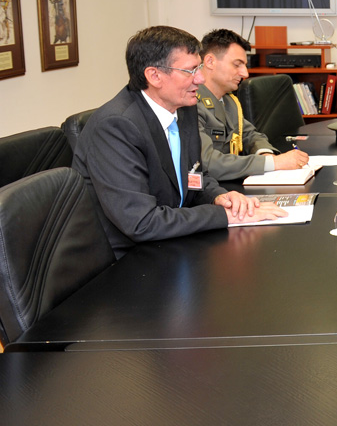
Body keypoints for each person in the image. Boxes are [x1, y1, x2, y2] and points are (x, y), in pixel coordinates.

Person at [72, 26, 285, 258]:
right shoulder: (115, 128)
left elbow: (194, 175)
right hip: (127, 259)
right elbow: (141, 222)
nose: (200, 79)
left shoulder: (183, 107)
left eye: (199, 68)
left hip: (173, 240)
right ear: (154, 76)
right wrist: (224, 216)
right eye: (190, 70)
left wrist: (219, 196)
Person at [197, 28, 309, 180]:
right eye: (237, 65)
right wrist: (273, 163)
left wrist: (265, 153)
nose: (245, 73)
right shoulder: (191, 104)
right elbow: (208, 163)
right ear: (210, 61)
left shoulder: (229, 101)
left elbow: (249, 135)